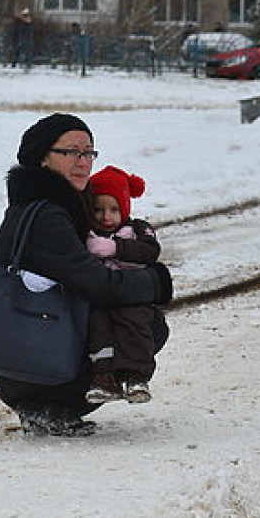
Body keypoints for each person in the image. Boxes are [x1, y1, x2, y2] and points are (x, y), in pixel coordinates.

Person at [0, 113, 173, 435]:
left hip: (16, 353)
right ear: (43, 157)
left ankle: (48, 403)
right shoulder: (49, 217)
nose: (83, 162)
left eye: (88, 153)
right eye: (71, 152)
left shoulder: (37, 204)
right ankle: (52, 407)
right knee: (147, 323)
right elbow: (99, 286)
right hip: (32, 364)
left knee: (119, 316)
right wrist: (156, 281)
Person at [84, 165, 170, 405]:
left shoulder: (137, 229)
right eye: (98, 210)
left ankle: (136, 376)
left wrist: (117, 248)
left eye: (113, 209)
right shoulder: (88, 233)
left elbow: (150, 251)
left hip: (132, 295)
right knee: (98, 328)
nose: (106, 217)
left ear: (125, 207)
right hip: (100, 297)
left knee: (133, 327)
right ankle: (103, 377)